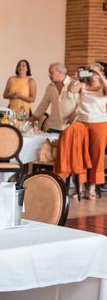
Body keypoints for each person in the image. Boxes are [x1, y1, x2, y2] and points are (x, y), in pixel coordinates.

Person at [68, 64, 107, 199]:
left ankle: (92, 187)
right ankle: (80, 186)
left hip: (99, 123)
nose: (91, 72)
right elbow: (71, 89)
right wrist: (76, 77)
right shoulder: (83, 85)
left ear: (101, 72)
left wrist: (100, 76)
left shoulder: (104, 86)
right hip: (82, 123)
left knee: (97, 156)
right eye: (89, 70)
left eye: (94, 69)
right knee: (80, 154)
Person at [29, 63, 78, 133]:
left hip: (70, 126)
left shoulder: (74, 84)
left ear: (60, 72)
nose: (49, 76)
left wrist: (74, 114)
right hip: (53, 126)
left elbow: (81, 103)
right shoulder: (50, 86)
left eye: (51, 73)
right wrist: (34, 117)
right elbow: (44, 103)